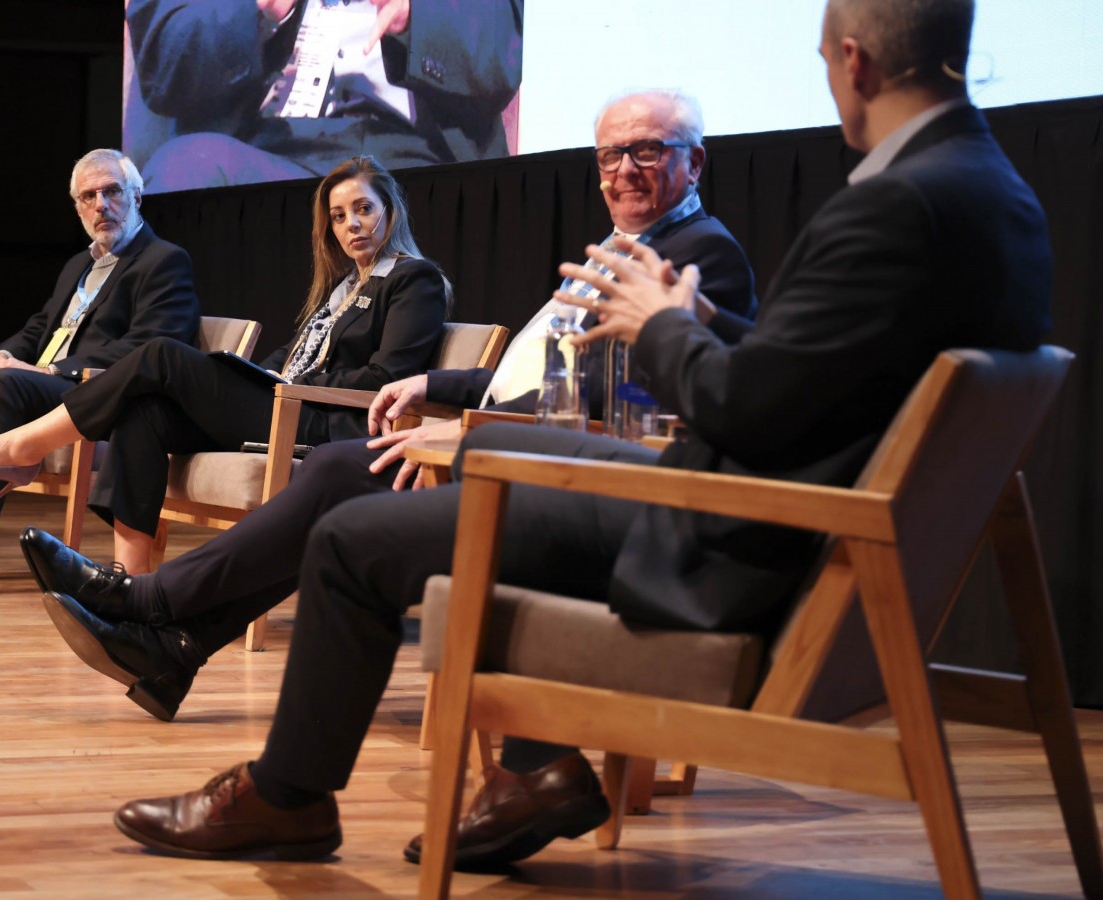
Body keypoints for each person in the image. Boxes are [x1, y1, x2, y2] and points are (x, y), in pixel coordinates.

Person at [108, 0, 1053, 869]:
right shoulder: (998, 196)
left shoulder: (895, 203)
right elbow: (810, 384)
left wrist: (664, 326)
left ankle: (289, 797)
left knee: (355, 540)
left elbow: (750, 410)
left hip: (725, 546)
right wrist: (704, 329)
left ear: (853, 59)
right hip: (789, 526)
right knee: (481, 462)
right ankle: (536, 773)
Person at [21, 88, 759, 723]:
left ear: (694, 162)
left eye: (648, 151)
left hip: (546, 467)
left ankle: (151, 609)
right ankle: (172, 642)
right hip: (498, 433)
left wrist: (465, 432)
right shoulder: (616, 248)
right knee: (327, 473)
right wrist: (440, 388)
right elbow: (536, 374)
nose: (624, 170)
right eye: (609, 157)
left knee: (335, 471)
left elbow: (597, 397)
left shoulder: (697, 253)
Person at [0, 155, 449, 606]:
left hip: (325, 422)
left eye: (364, 209)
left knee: (160, 357)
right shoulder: (339, 286)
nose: (352, 225)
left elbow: (387, 379)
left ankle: (20, 448)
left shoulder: (413, 278)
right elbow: (292, 353)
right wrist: (265, 369)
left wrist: (292, 379)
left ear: (390, 211)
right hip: (289, 398)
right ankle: (129, 584)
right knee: (145, 412)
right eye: (339, 216)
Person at [0, 149, 199, 598]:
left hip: (89, 395)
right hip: (29, 384)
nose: (100, 205)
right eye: (88, 197)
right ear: (77, 207)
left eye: (112, 192)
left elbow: (149, 348)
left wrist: (44, 369)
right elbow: (38, 328)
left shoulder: (164, 261)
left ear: (138, 197)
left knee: (7, 382)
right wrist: (1, 356)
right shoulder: (79, 265)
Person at [128, 0, 522, 190]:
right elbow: (163, 64)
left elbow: (502, 59)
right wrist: (259, 11)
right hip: (254, 149)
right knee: (185, 171)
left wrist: (416, 16)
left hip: (411, 158)